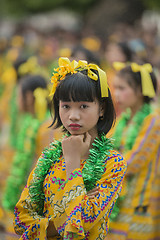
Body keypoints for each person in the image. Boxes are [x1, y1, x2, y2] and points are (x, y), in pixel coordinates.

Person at [13, 57, 127, 240]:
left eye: (83, 106)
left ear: (102, 109)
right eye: (66, 106)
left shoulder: (113, 163)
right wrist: (71, 210)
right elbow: (20, 220)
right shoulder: (49, 158)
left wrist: (73, 161)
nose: (73, 116)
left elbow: (81, 224)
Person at [108, 62, 160, 240]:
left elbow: (133, 162)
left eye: (122, 88)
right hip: (119, 197)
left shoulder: (153, 120)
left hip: (140, 200)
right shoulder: (124, 118)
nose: (116, 94)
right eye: (116, 88)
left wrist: (103, 168)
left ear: (139, 90)